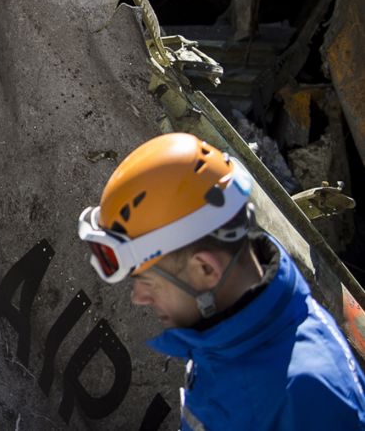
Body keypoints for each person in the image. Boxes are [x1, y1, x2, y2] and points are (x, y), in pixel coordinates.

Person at [77, 132, 365, 430]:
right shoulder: (235, 331)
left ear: (205, 269)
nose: (138, 297)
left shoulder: (304, 401)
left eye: (146, 281)